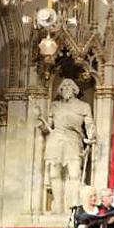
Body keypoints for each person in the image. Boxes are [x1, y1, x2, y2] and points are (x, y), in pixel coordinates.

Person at [39, 78, 96, 214]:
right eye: (63, 87)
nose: (66, 88)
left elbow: (89, 124)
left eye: (69, 86)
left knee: (74, 173)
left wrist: (91, 136)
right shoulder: (55, 105)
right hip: (56, 140)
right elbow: (48, 126)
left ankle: (74, 205)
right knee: (54, 173)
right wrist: (41, 123)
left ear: (74, 90)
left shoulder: (83, 106)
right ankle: (58, 205)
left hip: (73, 140)